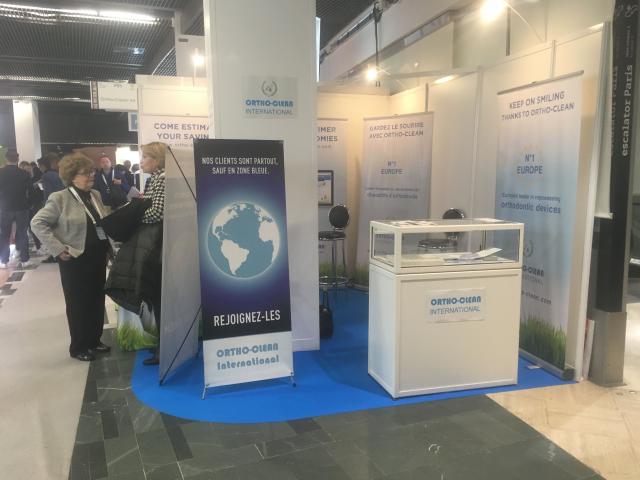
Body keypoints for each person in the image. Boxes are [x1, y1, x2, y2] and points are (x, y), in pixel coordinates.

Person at [31, 153, 111, 361]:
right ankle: (79, 347)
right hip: (75, 259)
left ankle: (94, 340)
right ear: (72, 177)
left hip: (97, 256)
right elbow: (37, 223)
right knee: (78, 303)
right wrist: (58, 249)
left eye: (92, 172)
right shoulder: (60, 198)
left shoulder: (94, 194)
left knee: (96, 299)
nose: (91, 176)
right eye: (86, 173)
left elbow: (101, 221)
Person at [105, 142, 165, 365]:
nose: (141, 161)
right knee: (155, 295)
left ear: (157, 160)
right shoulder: (156, 179)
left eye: (145, 157)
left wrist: (132, 217)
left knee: (158, 295)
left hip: (157, 245)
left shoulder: (162, 179)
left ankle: (163, 349)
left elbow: (157, 212)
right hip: (155, 244)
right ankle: (162, 347)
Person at [0, 150, 32, 269]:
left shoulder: (0, 173)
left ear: (6, 158)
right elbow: (30, 191)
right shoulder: (24, 173)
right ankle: (24, 260)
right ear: (17, 159)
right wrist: (29, 204)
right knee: (22, 233)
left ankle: (4, 260)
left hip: (5, 207)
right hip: (22, 207)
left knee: (4, 234)